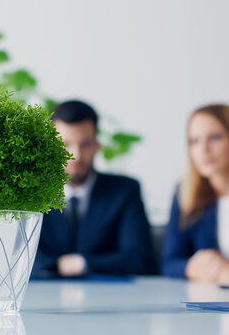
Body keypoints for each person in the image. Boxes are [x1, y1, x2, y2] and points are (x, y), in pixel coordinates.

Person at [32, 100, 154, 278]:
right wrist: (61, 265)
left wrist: (81, 263)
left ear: (97, 144)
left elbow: (137, 258)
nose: (76, 155)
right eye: (65, 144)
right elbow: (20, 262)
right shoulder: (32, 194)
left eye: (85, 144)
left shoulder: (124, 191)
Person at [162, 104, 229, 282]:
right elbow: (169, 263)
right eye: (195, 141)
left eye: (215, 137)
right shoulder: (184, 193)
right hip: (211, 301)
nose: (204, 149)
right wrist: (192, 266)